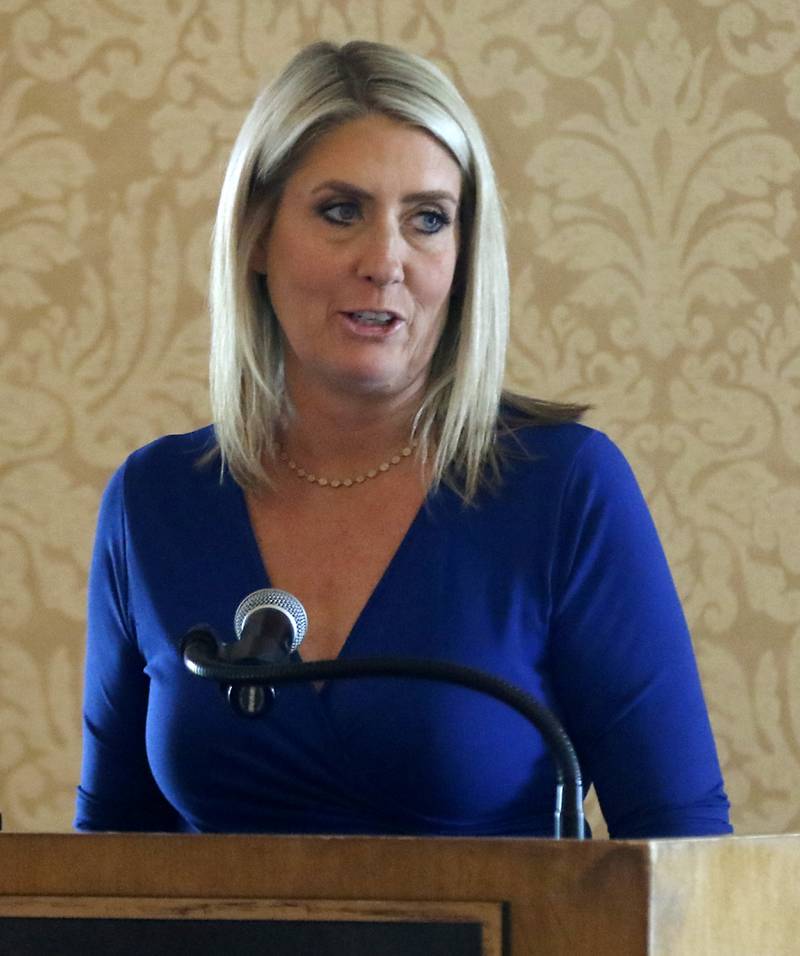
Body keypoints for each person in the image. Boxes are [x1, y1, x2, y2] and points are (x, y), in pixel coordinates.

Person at [75, 40, 731, 838]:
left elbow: (681, 846)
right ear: (254, 234)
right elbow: (112, 860)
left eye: (427, 220)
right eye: (341, 211)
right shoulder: (157, 499)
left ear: (462, 256)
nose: (385, 260)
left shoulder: (561, 488)